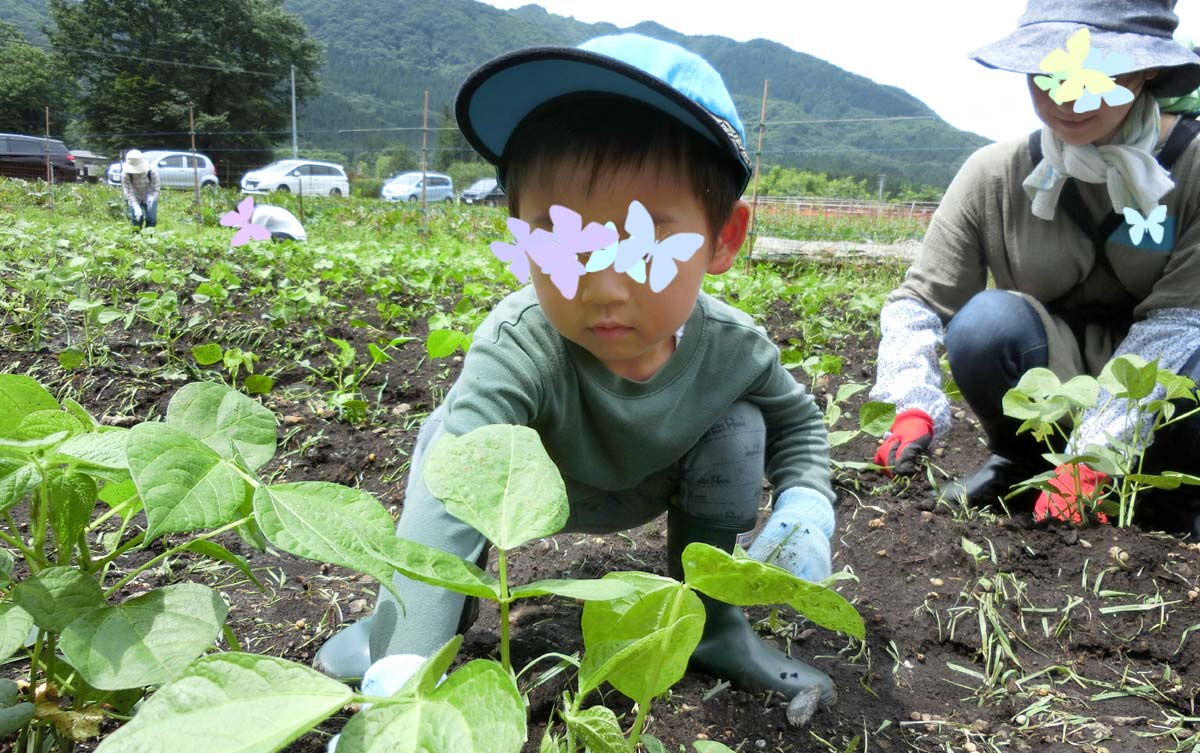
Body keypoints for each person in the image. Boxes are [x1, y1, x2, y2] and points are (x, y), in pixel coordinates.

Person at [314, 33, 839, 712]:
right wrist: (401, 675)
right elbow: (447, 500)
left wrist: (805, 507)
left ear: (723, 238)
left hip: (650, 481)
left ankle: (707, 622)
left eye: (642, 242)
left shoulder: (734, 347)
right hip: (528, 491)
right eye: (561, 240)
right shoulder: (519, 343)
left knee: (740, 425)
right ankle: (420, 624)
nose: (604, 285)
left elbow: (798, 427)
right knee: (450, 444)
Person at [869, 0, 1200, 539]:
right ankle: (1021, 464)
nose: (1066, 100)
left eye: (1094, 75)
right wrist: (912, 404)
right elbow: (920, 303)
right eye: (1048, 74)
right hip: (1057, 375)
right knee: (985, 325)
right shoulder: (996, 173)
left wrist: (1098, 451)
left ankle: (1176, 499)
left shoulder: (1192, 169)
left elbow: (1180, 323)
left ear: (1146, 72)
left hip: (1166, 384)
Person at [120, 149, 158, 230]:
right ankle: (136, 239)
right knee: (136, 220)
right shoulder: (125, 174)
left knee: (152, 219)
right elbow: (128, 191)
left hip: (150, 196)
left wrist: (151, 199)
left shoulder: (152, 172)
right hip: (135, 197)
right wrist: (136, 206)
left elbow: (156, 189)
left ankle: (150, 238)